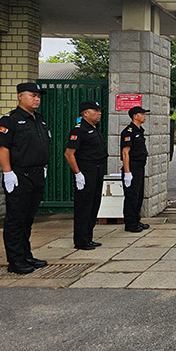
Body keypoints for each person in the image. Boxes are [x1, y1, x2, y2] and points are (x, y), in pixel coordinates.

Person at [0, 82, 51, 274]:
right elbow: (3, 147)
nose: (36, 99)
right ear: (20, 96)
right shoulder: (10, 120)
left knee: (28, 218)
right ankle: (15, 260)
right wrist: (7, 172)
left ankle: (26, 254)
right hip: (19, 175)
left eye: (38, 96)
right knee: (15, 218)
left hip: (36, 174)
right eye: (32, 95)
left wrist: (43, 166)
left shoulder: (39, 120)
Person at [64, 101, 109, 250]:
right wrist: (78, 174)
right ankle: (81, 241)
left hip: (97, 169)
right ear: (85, 113)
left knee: (94, 205)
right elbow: (69, 153)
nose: (99, 113)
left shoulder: (95, 128)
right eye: (95, 110)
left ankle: (88, 237)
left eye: (99, 110)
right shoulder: (79, 130)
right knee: (84, 206)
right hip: (86, 171)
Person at [121, 106, 151, 232]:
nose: (144, 116)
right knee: (131, 196)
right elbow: (125, 152)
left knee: (138, 196)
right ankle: (130, 224)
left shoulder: (139, 130)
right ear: (135, 116)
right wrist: (127, 172)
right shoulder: (128, 132)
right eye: (142, 114)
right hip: (132, 167)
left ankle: (136, 220)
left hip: (139, 167)